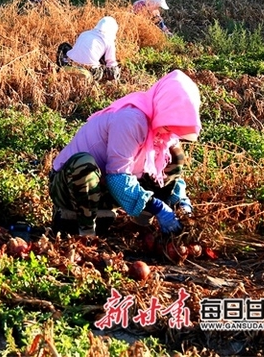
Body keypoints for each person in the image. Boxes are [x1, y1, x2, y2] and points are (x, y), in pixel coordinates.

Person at [48, 70, 201, 237]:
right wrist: (157, 206)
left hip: (105, 188)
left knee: (175, 155)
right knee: (84, 165)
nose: (172, 129)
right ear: (164, 106)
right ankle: (86, 233)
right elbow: (117, 178)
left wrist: (181, 201)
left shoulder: (161, 129)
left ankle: (141, 225)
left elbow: (166, 169)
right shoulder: (131, 119)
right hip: (70, 188)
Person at [56, 16, 121, 81]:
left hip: (70, 63)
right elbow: (111, 63)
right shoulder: (109, 41)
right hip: (91, 70)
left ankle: (63, 67)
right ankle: (90, 77)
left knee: (64, 46)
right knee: (112, 69)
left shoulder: (84, 33)